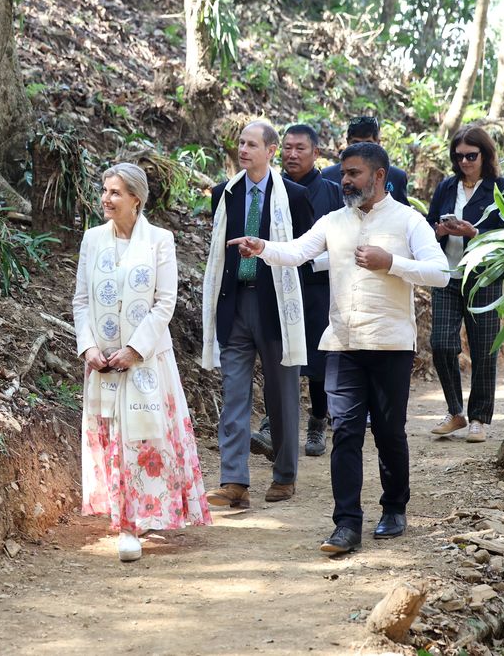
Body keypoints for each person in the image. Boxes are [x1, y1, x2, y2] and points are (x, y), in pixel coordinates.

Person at [228, 143, 449, 554]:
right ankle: (346, 524)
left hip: (391, 344)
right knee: (345, 432)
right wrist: (263, 248)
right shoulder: (333, 221)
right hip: (342, 344)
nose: (344, 180)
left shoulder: (408, 221)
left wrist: (391, 263)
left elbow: (440, 272)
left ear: (379, 176)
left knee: (388, 433)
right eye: (344, 173)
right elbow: (297, 252)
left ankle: (394, 507)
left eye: (354, 173)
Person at [73, 163, 211, 562]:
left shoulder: (159, 241)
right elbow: (81, 300)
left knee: (146, 436)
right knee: (115, 435)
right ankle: (126, 522)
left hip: (146, 360)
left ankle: (149, 512)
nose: (105, 199)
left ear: (136, 198)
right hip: (103, 360)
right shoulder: (92, 239)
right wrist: (88, 347)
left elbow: (164, 301)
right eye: (103, 190)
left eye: (115, 192)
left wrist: (135, 348)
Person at [200, 121, 314, 508]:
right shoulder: (224, 194)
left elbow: (305, 253)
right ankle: (234, 482)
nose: (243, 150)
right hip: (234, 304)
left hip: (277, 307)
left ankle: (284, 475)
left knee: (282, 395)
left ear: (271, 150)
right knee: (233, 393)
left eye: (252, 144)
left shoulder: (294, 197)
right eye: (240, 143)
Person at [426, 126, 504, 443]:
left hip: (484, 278)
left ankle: (479, 418)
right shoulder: (446, 187)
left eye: (471, 156)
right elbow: (428, 223)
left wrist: (473, 233)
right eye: (459, 156)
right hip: (447, 275)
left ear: (485, 155)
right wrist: (437, 231)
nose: (464, 161)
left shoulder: (502, 189)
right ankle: (455, 411)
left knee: (483, 351)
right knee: (441, 343)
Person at [279, 123, 344, 457]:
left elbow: (344, 240)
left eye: (300, 148)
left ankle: (318, 419)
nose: (292, 154)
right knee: (280, 351)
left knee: (318, 357)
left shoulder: (333, 191)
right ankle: (275, 422)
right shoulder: (274, 187)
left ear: (316, 153)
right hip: (279, 281)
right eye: (287, 147)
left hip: (319, 284)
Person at [322, 116, 410, 205]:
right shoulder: (328, 176)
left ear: (378, 143)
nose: (361, 150)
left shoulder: (396, 177)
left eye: (368, 143)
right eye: (356, 143)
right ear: (347, 142)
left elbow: (402, 214)